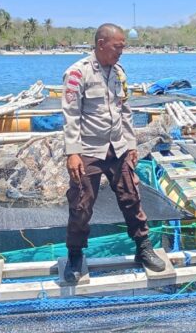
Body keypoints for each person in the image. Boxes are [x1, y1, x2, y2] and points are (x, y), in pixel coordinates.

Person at [61, 23, 165, 283]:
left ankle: (143, 248)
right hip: (88, 149)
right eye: (117, 46)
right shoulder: (77, 73)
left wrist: (131, 145)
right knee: (82, 203)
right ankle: (75, 255)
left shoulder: (119, 73)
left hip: (118, 147)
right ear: (101, 44)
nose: (121, 51)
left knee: (132, 197)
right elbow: (71, 115)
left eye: (123, 46)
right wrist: (72, 152)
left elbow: (125, 111)